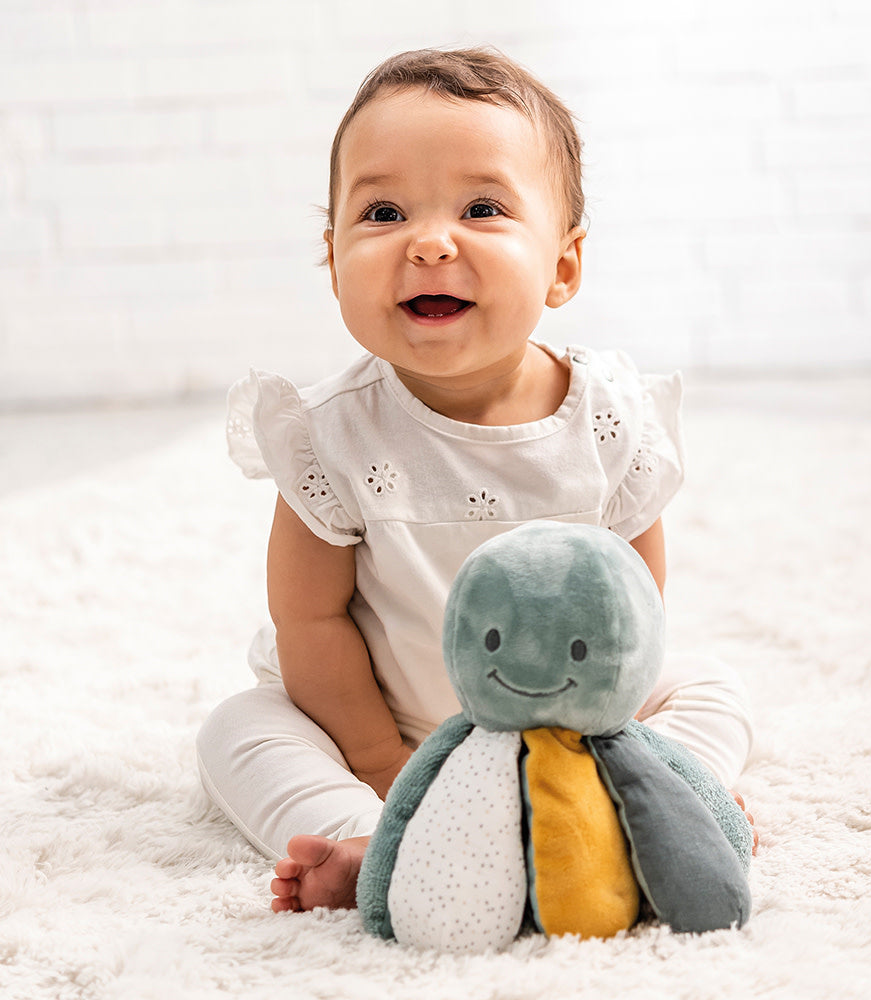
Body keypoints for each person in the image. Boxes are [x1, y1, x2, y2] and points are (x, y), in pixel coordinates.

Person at [197, 46, 755, 915]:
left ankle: (651, 800)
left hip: (568, 722)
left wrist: (612, 732)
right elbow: (307, 620)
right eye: (382, 211)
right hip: (385, 722)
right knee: (239, 728)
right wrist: (384, 770)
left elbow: (633, 602)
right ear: (333, 254)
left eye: (482, 208)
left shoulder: (608, 419)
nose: (427, 241)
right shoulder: (328, 433)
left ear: (563, 266)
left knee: (711, 685)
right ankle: (377, 840)